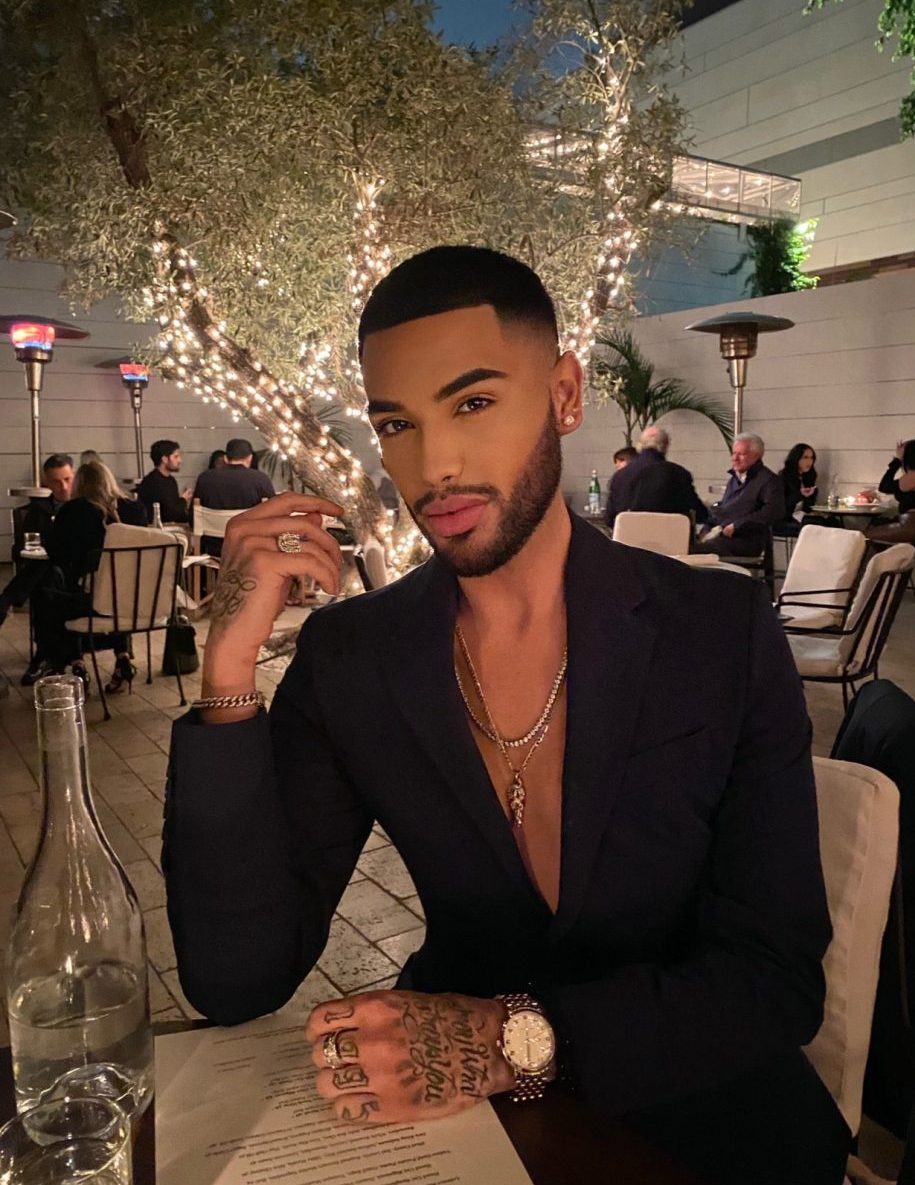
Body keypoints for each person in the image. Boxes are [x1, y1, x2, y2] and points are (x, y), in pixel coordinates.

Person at [164, 246, 847, 1185]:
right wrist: (228, 668)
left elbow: (775, 977)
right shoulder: (356, 656)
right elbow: (236, 978)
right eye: (396, 423)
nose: (433, 465)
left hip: (699, 1116)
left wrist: (510, 1039)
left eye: (474, 402)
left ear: (563, 394)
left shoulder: (716, 632)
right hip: (462, 1135)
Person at [32, 461, 148, 692]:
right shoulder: (135, 509)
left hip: (89, 603)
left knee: (55, 596)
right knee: (115, 587)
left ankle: (77, 663)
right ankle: (123, 657)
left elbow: (56, 555)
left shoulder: (71, 512)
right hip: (134, 600)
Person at [0, 454, 75, 682]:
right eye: (56, 482)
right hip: (50, 570)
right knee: (45, 578)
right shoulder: (39, 510)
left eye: (67, 479)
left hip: (77, 570)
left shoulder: (84, 508)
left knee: (43, 578)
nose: (63, 487)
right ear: (47, 483)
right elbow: (20, 549)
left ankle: (9, 600)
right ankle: (46, 653)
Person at [694, 433, 785, 557]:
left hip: (746, 541)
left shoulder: (769, 480)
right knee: (684, 543)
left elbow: (774, 511)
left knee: (697, 550)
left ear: (756, 456)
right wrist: (706, 529)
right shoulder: (734, 479)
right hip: (723, 535)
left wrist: (737, 526)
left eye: (741, 454)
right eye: (734, 453)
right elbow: (724, 511)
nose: (734, 458)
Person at [604, 426, 708, 529]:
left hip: (628, 538)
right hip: (670, 537)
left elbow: (610, 520)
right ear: (665, 446)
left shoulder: (619, 476)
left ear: (639, 445)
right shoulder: (679, 474)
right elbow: (699, 514)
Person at [867, 438, 915, 545]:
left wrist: (897, 460)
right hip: (908, 526)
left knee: (866, 535)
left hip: (908, 526)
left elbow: (884, 486)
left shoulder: (909, 478)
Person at [136, 440, 191, 523]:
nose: (180, 461)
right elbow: (170, 513)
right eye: (176, 457)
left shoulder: (170, 480)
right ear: (165, 459)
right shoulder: (153, 482)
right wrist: (183, 499)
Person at [775, 443, 819, 537]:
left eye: (811, 458)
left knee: (832, 521)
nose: (809, 461)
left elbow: (809, 507)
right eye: (805, 457)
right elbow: (781, 504)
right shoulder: (784, 478)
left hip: (801, 515)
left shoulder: (808, 478)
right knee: (816, 525)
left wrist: (811, 495)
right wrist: (800, 495)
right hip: (786, 518)